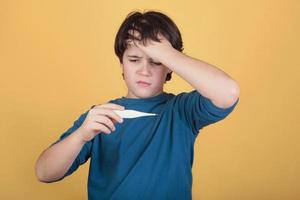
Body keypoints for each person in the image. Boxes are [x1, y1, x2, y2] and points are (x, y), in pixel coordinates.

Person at [35, 10, 240, 200]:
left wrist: (166, 53)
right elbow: (44, 172)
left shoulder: (181, 111)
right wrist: (80, 136)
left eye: (156, 61)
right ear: (122, 63)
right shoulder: (99, 117)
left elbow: (228, 92)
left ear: (170, 67)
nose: (144, 70)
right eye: (134, 59)